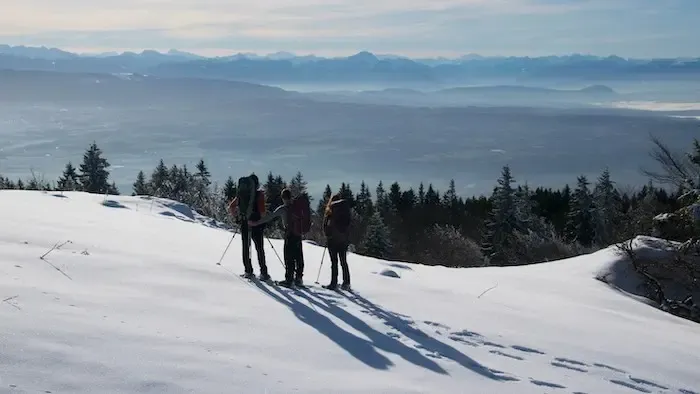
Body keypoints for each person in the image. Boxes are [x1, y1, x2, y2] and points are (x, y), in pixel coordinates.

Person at [248, 188, 305, 288]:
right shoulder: (298, 207)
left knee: (289, 257)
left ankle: (289, 279)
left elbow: (270, 217)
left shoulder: (283, 208)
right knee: (299, 256)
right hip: (298, 234)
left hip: (289, 234)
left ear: (283, 198)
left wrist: (256, 223)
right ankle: (299, 278)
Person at [227, 174, 270, 281]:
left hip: (244, 222)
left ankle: (248, 271)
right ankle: (263, 273)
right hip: (256, 223)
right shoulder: (259, 195)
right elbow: (262, 212)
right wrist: (263, 220)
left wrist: (237, 218)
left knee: (246, 247)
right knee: (259, 248)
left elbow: (231, 207)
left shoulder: (241, 194)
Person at [322, 193, 352, 291]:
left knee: (334, 262)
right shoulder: (344, 211)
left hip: (333, 240)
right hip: (343, 240)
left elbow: (326, 226)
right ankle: (346, 283)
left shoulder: (330, 211)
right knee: (344, 262)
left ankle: (334, 283)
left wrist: (327, 235)